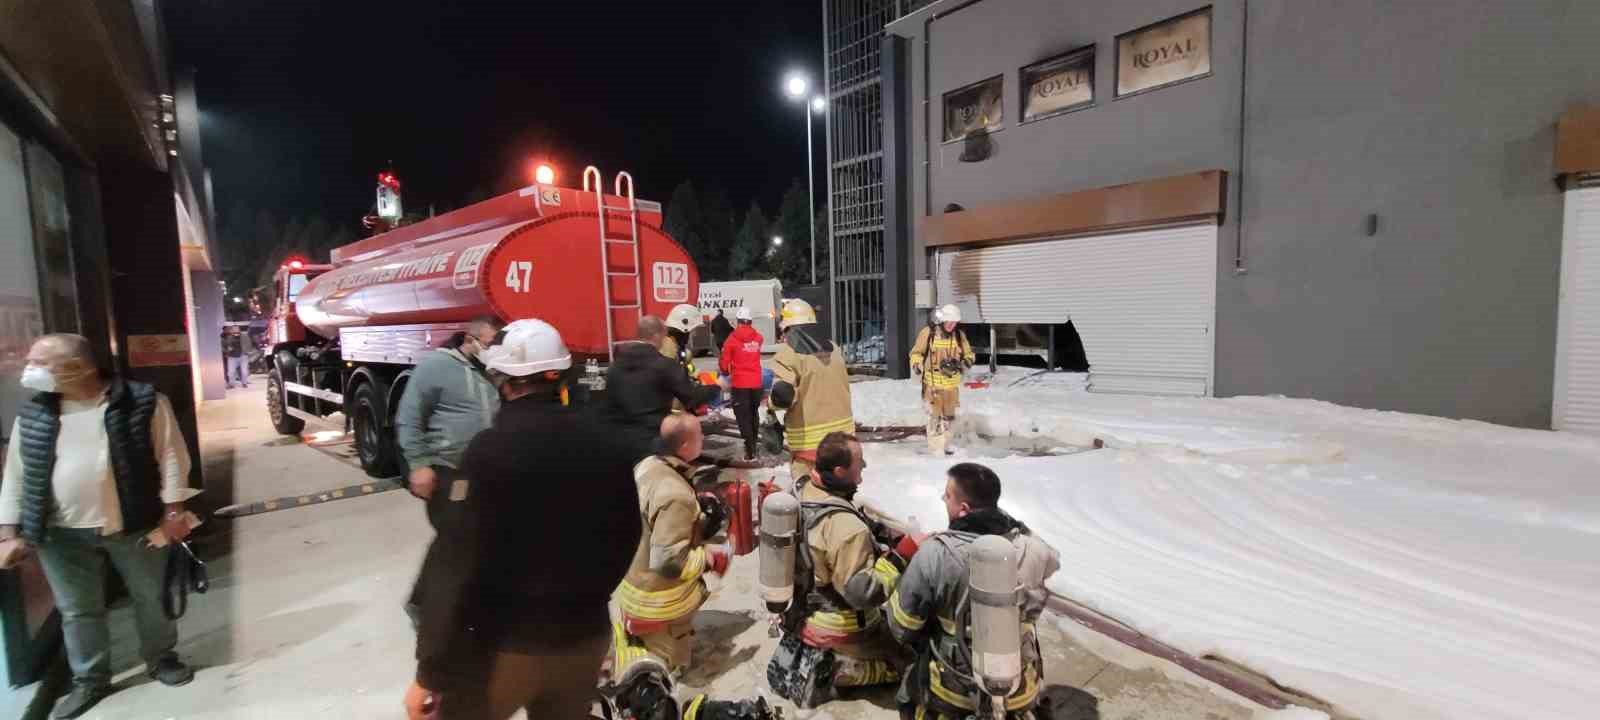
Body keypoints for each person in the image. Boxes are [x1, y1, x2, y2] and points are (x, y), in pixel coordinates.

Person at [404, 319, 642, 720]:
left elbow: (453, 565)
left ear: (503, 382)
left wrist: (431, 670)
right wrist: (588, 598)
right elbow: (627, 533)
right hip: (585, 640)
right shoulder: (607, 441)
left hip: (506, 648)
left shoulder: (488, 453)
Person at [0, 334, 198, 719]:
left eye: (41, 363)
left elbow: (172, 456)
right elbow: (16, 476)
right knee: (78, 610)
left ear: (80, 367)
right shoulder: (35, 413)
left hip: (134, 524)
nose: (30, 371)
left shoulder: (142, 402)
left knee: (151, 597)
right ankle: (91, 680)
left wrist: (174, 512)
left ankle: (161, 658)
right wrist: (8, 532)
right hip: (59, 535)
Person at [605, 414, 775, 720]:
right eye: (700, 435)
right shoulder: (675, 495)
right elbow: (669, 562)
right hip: (659, 603)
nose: (705, 437)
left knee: (643, 649)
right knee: (667, 662)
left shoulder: (647, 466)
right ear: (685, 445)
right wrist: (712, 557)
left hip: (632, 582)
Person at [886, 462, 1060, 719]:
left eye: (947, 495)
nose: (943, 499)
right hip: (1019, 686)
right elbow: (1053, 560)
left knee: (906, 695)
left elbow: (902, 626)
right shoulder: (1033, 548)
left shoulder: (935, 553)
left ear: (963, 509)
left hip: (952, 687)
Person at [766, 432, 917, 710]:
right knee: (913, 663)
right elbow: (863, 593)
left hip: (801, 610)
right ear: (839, 470)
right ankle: (838, 671)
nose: (863, 471)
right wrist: (899, 557)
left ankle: (810, 653)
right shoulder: (847, 529)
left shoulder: (800, 493)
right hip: (840, 625)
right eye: (859, 464)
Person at [395, 315, 504, 502]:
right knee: (454, 523)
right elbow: (409, 418)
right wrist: (419, 464)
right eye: (489, 345)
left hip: (488, 469)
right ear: (470, 340)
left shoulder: (494, 369)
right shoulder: (436, 365)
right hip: (449, 468)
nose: (494, 352)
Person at [606, 315, 719, 462]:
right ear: (657, 335)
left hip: (619, 441)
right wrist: (717, 387)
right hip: (651, 443)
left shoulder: (614, 366)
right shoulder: (664, 365)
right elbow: (692, 398)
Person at [769, 298, 854, 484]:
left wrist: (769, 405)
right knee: (843, 494)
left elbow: (783, 396)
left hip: (810, 448)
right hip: (846, 441)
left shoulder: (787, 356)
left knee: (811, 500)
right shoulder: (835, 349)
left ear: (787, 328)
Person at [909, 305, 974, 456]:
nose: (953, 325)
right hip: (933, 386)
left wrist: (964, 363)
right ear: (942, 320)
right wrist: (917, 364)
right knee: (934, 418)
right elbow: (916, 353)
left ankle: (946, 444)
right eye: (949, 322)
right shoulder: (928, 333)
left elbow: (969, 354)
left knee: (949, 418)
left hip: (951, 387)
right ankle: (936, 448)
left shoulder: (959, 335)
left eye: (955, 322)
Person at [718, 307, 765, 459]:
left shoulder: (731, 339)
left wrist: (724, 372)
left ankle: (749, 449)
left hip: (740, 384)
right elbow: (756, 343)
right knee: (753, 413)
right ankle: (754, 444)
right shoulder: (758, 338)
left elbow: (724, 362)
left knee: (742, 416)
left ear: (738, 322)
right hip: (756, 383)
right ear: (750, 321)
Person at [663, 303, 704, 377]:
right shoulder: (668, 348)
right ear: (684, 327)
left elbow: (686, 367)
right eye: (693, 330)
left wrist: (691, 372)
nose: (694, 334)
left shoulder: (677, 345)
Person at [221, 325, 250, 389]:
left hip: (243, 356)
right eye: (233, 329)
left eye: (236, 329)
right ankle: (231, 384)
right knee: (231, 372)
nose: (235, 330)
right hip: (232, 357)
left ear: (239, 329)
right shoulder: (228, 337)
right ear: (232, 330)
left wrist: (246, 352)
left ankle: (244, 383)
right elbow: (223, 346)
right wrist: (227, 350)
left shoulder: (244, 336)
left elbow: (249, 344)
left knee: (244, 371)